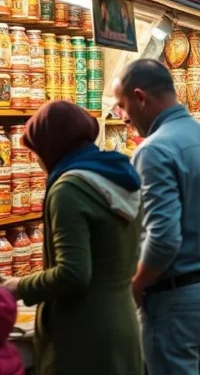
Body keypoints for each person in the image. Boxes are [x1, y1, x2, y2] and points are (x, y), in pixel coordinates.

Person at [113, 59, 200, 375]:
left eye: (123, 106)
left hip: (177, 299)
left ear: (140, 97)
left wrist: (135, 287)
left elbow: (163, 238)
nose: (124, 117)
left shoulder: (154, 150)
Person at [3, 101, 142, 375]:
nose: (38, 162)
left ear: (50, 147)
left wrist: (18, 286)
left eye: (37, 152)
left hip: (83, 336)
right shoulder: (120, 177)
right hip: (122, 324)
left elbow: (74, 273)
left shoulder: (69, 189)